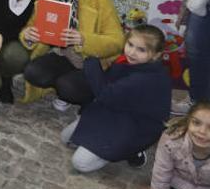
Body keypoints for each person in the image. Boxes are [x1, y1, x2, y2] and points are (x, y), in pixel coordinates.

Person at [21, 0, 125, 109]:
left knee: (68, 87)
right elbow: (31, 26)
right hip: (62, 56)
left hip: (91, 62)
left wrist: (84, 39)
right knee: (33, 72)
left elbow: (117, 41)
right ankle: (65, 87)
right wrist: (28, 35)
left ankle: (90, 92)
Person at [60, 25, 171, 173]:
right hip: (114, 110)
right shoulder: (131, 63)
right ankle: (103, 145)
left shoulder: (145, 78)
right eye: (130, 45)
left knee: (80, 163)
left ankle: (132, 150)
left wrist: (91, 59)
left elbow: (104, 93)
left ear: (156, 55)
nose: (132, 52)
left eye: (141, 50)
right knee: (65, 139)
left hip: (134, 125)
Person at [144, 101, 210, 189]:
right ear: (188, 122)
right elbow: (162, 171)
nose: (202, 132)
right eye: (196, 123)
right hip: (180, 183)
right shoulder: (171, 139)